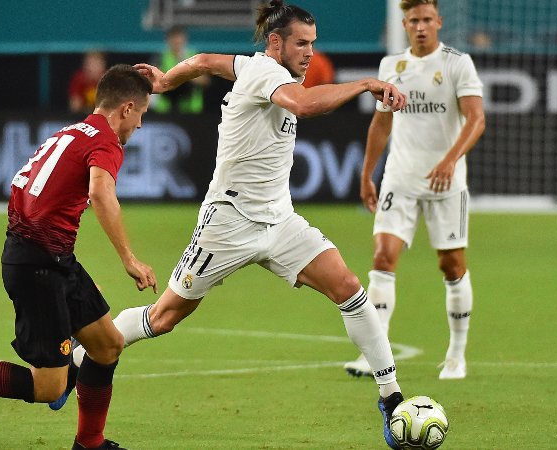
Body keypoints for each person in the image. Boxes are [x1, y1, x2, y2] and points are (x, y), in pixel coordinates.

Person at [67, 1, 409, 448]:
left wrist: (170, 79)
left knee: (347, 285)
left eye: (313, 43)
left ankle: (392, 398)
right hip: (228, 223)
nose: (309, 53)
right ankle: (78, 359)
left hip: (279, 220)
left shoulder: (249, 66)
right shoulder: (268, 74)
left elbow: (208, 61)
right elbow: (303, 107)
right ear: (275, 43)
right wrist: (366, 84)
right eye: (302, 44)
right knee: (166, 315)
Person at [0, 64, 158, 450]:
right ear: (126, 108)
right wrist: (129, 258)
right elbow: (101, 194)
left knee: (107, 345)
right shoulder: (105, 142)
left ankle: (90, 442)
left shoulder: (71, 132)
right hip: (39, 266)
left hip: (49, 257)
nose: (139, 126)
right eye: (141, 115)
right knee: (46, 387)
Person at [344, 0, 485, 381]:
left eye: (427, 20)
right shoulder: (391, 66)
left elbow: (476, 119)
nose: (421, 27)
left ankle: (456, 355)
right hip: (400, 179)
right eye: (414, 21)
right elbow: (381, 124)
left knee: (451, 265)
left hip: (446, 182)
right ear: (404, 24)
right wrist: (366, 174)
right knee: (382, 258)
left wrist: (451, 159)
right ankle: (375, 356)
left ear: (438, 22)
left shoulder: (458, 63)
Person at [151, 26, 209, 114]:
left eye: (179, 37)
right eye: (173, 38)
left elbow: (205, 81)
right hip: (165, 109)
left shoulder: (195, 56)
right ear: (168, 40)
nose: (176, 41)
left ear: (185, 39)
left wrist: (188, 75)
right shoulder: (160, 57)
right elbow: (152, 81)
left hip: (190, 109)